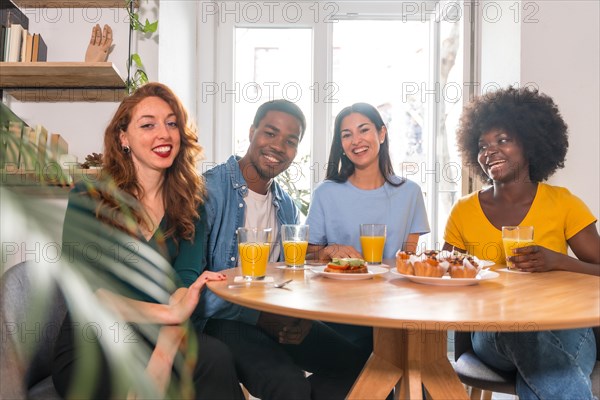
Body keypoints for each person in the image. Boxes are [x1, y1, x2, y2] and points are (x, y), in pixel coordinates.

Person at [52, 82, 244, 399]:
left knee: (216, 359)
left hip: (160, 334)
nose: (164, 134)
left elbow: (183, 283)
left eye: (171, 123)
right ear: (123, 138)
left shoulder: (192, 205)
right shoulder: (89, 196)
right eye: (148, 125)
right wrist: (169, 315)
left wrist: (164, 354)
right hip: (92, 341)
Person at [199, 99, 369, 400]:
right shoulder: (210, 191)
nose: (278, 146)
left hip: (271, 318)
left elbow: (289, 272)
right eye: (270, 133)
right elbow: (195, 287)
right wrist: (260, 318)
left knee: (364, 368)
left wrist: (300, 316)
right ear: (252, 132)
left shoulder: (285, 205)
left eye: (290, 141)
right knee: (290, 387)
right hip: (221, 322)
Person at [443, 86, 600, 400]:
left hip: (566, 324)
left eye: (503, 140)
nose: (490, 151)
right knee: (524, 333)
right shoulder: (463, 211)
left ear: (530, 143)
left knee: (543, 372)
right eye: (482, 145)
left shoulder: (564, 204)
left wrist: (557, 261)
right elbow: (444, 276)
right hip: (494, 332)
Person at [304, 103, 430, 352]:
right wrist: (329, 251)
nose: (356, 140)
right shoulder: (325, 193)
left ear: (381, 134)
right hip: (340, 313)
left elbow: (409, 261)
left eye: (364, 130)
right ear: (340, 144)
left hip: (397, 311)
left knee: (419, 364)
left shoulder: (410, 193)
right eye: (347, 134)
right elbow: (308, 259)